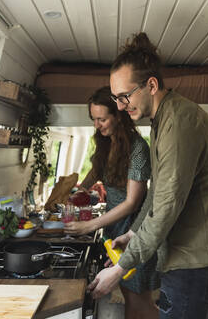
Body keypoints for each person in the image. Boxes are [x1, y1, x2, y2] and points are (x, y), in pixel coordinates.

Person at [87, 33, 208, 319]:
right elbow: (157, 193)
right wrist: (132, 233)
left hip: (197, 260)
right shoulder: (162, 119)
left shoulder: (179, 125)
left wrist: (119, 270)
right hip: (188, 257)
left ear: (151, 85)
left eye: (124, 96)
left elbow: (166, 208)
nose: (120, 106)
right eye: (116, 98)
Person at [64, 86, 160, 319]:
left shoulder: (138, 148)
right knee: (129, 294)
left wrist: (89, 226)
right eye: (93, 119)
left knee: (139, 299)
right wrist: (80, 190)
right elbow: (96, 170)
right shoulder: (106, 141)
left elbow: (131, 202)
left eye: (102, 119)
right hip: (114, 225)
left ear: (119, 116)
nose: (97, 125)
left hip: (134, 227)